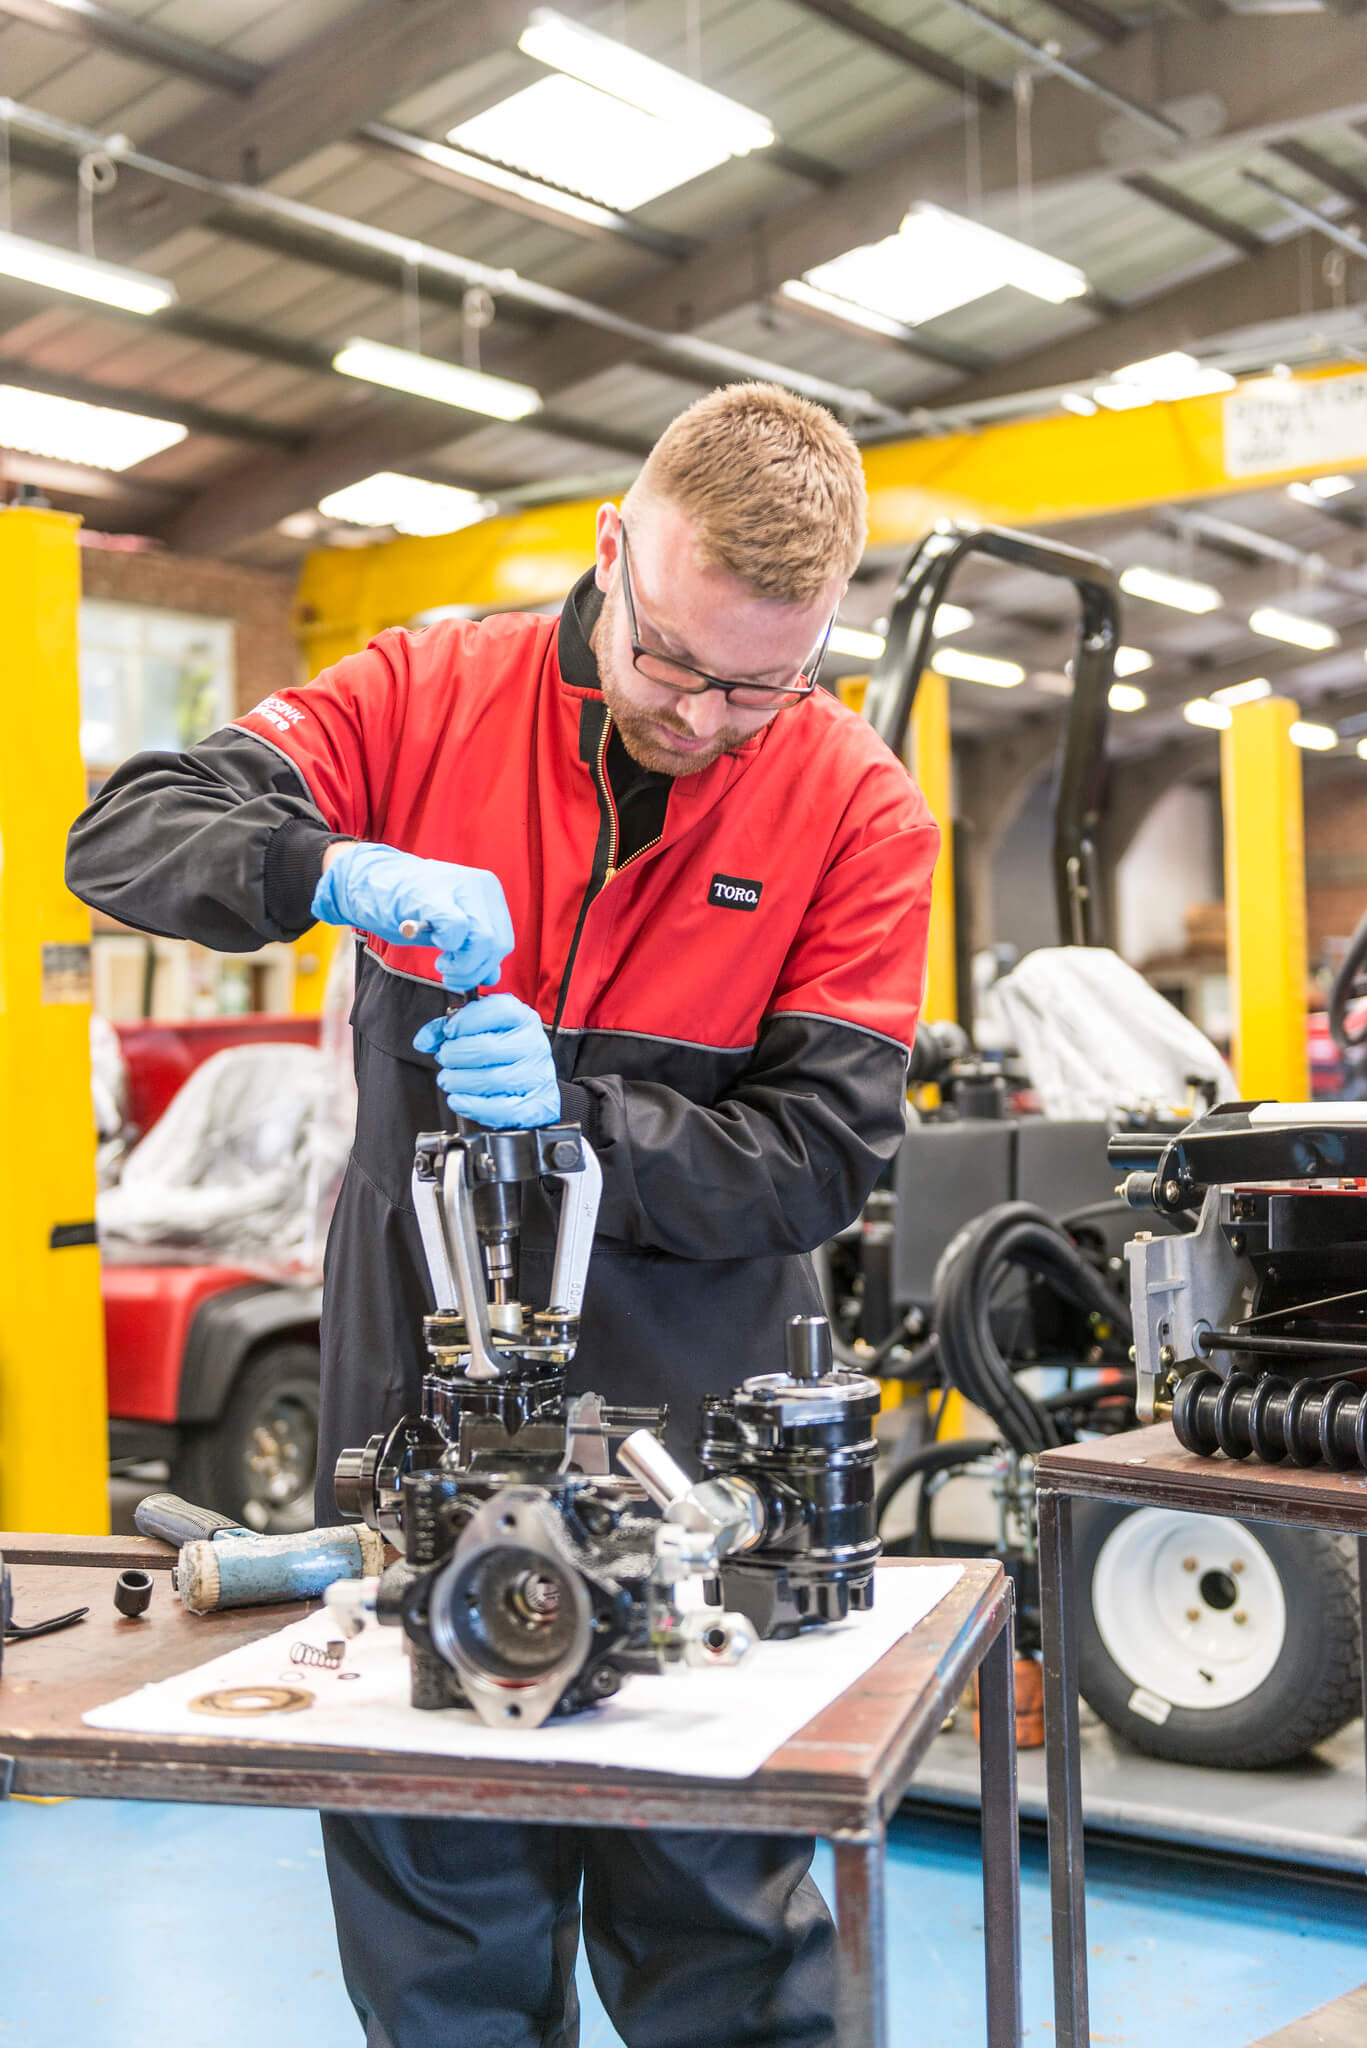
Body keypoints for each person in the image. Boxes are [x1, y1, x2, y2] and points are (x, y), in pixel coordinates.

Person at [67, 381, 938, 2048]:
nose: (705, 713)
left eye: (765, 681)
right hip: (417, 1426)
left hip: (694, 1454)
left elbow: (823, 1159)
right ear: (611, 552)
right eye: (674, 658)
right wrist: (324, 869)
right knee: (443, 1950)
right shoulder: (423, 690)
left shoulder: (854, 806)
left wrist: (588, 1117)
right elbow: (127, 834)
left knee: (727, 1952)